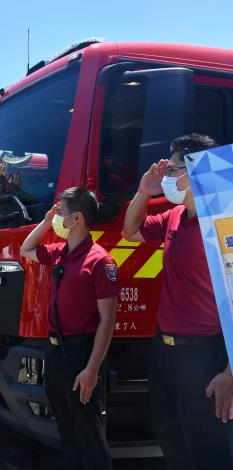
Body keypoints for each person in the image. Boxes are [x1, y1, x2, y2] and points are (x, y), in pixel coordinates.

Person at [122, 133, 233, 469]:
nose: (167, 177)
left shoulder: (224, 221)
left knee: (208, 451)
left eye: (173, 170)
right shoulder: (173, 217)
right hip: (165, 353)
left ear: (196, 170)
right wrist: (144, 192)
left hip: (206, 355)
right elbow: (130, 231)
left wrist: (230, 371)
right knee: (173, 444)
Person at [20, 187, 118, 469]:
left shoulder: (100, 260)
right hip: (55, 354)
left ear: (77, 219)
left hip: (81, 354)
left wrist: (92, 369)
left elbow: (107, 320)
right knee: (66, 428)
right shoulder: (59, 252)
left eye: (60, 212)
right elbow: (26, 249)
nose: (56, 218)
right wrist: (46, 219)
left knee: (89, 430)